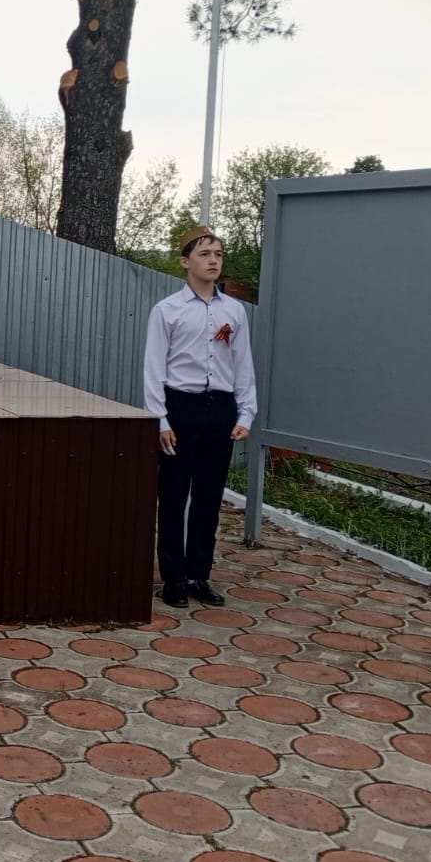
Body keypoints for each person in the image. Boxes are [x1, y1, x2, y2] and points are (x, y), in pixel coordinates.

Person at [142, 225, 257, 608]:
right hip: (181, 408)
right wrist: (160, 419)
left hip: (220, 410)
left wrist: (246, 413)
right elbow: (154, 368)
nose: (213, 261)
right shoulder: (167, 310)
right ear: (185, 261)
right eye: (205, 254)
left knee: (209, 496)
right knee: (174, 495)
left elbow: (243, 364)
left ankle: (198, 575)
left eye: (218, 254)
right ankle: (173, 577)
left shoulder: (234, 311)